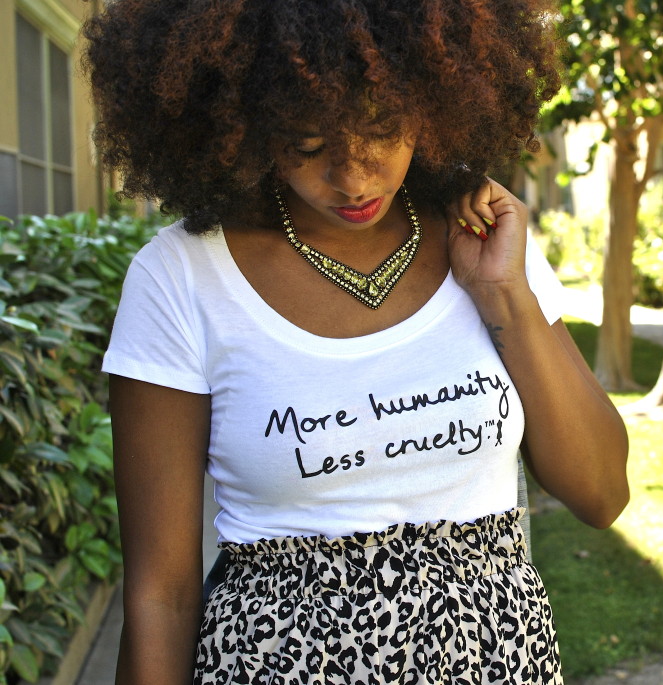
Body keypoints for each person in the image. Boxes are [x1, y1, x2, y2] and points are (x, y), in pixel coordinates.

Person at [84, 0, 629, 683]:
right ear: (246, 123)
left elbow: (601, 493)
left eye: (381, 128)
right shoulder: (181, 278)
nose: (353, 177)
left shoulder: (488, 245)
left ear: (433, 100)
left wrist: (503, 295)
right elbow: (160, 596)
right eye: (308, 145)